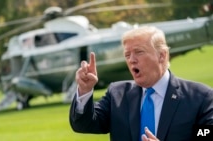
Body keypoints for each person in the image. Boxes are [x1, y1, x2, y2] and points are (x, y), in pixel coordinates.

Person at [69, 26, 213, 141]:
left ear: (161, 55)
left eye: (139, 52)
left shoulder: (201, 97)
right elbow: (83, 124)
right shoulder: (117, 94)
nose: (132, 60)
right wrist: (84, 90)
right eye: (127, 55)